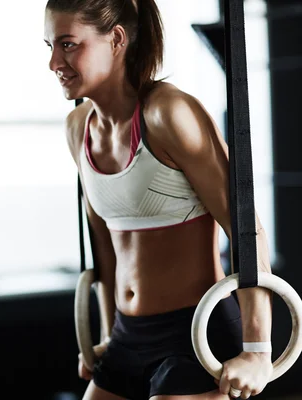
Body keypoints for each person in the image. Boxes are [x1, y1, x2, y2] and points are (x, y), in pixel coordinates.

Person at [43, 1, 273, 399]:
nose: (53, 63)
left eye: (67, 44)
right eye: (49, 46)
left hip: (196, 337)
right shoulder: (77, 128)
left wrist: (257, 351)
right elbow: (105, 247)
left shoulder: (168, 113)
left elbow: (245, 228)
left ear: (116, 39)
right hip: (127, 337)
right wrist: (105, 334)